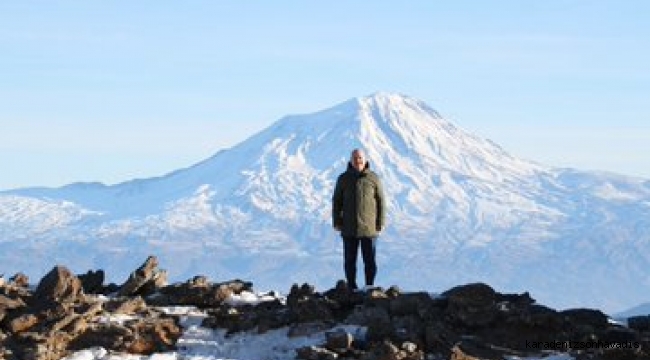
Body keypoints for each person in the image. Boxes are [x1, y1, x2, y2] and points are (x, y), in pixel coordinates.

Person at [332, 148, 386, 291]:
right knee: (350, 260)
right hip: (349, 227)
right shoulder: (343, 179)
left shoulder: (373, 178)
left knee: (369, 260)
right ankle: (351, 287)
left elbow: (381, 201)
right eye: (355, 158)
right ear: (351, 160)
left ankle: (369, 286)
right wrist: (336, 221)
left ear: (365, 160)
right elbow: (336, 201)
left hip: (369, 229)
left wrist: (380, 222)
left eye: (360, 158)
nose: (358, 161)